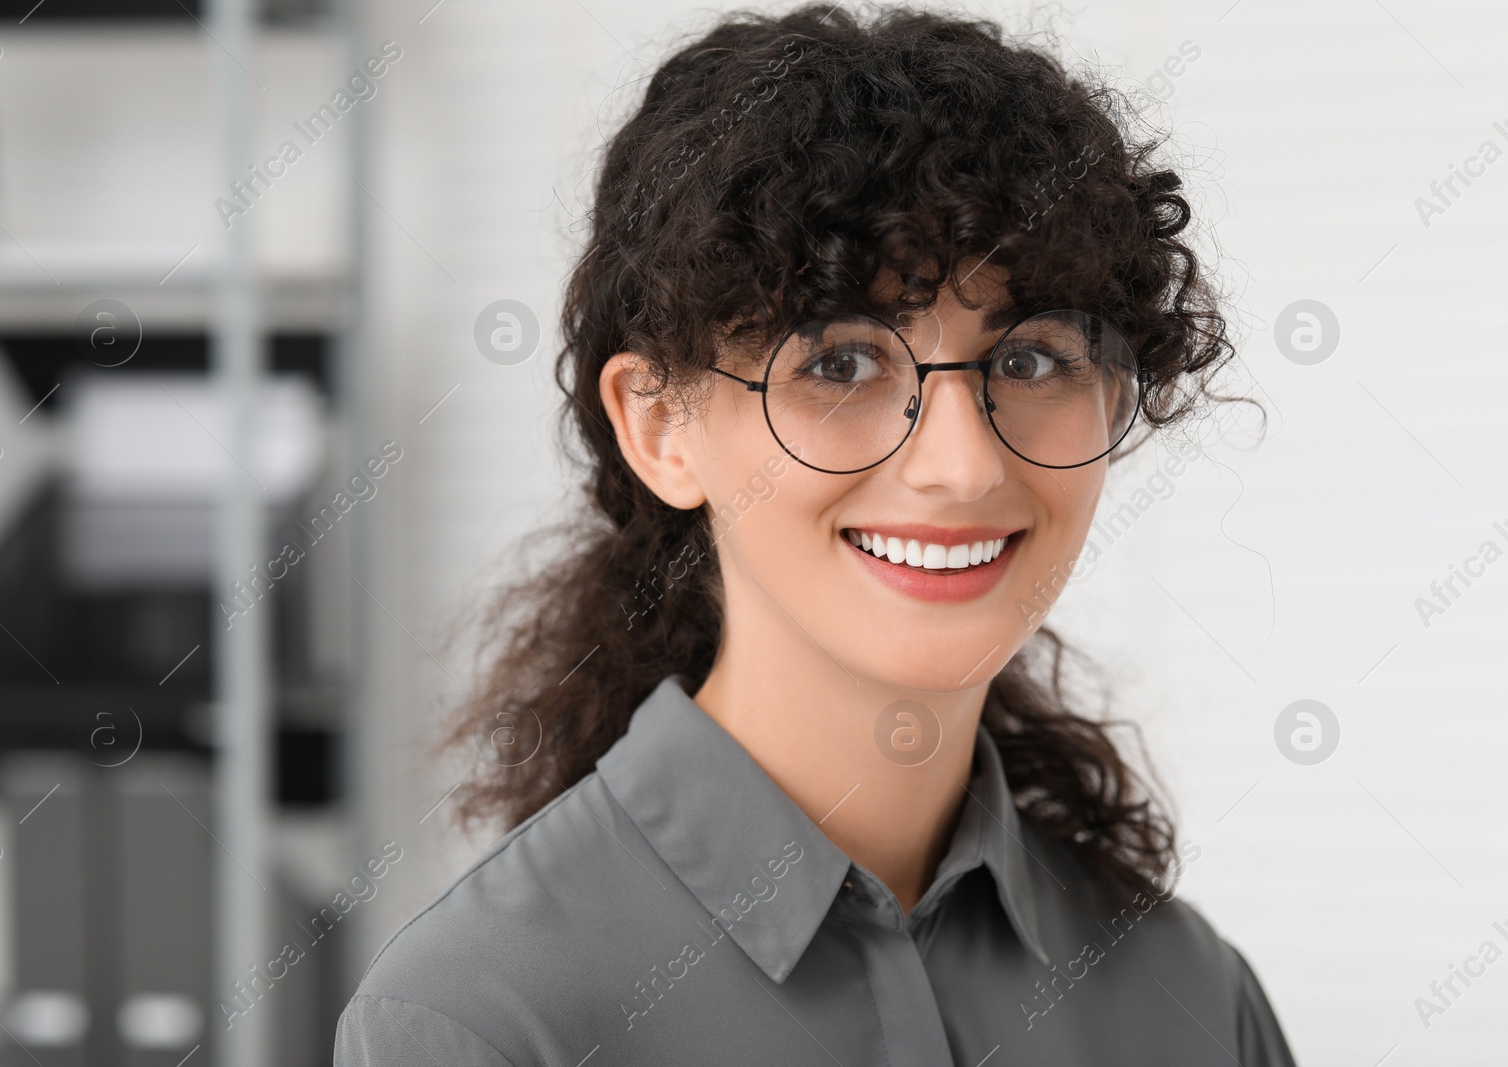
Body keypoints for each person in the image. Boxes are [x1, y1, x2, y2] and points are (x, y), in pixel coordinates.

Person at [335, 5, 1296, 1064]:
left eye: (1029, 360)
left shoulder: (1192, 995)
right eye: (839, 362)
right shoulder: (480, 1018)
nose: (963, 464)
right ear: (660, 426)